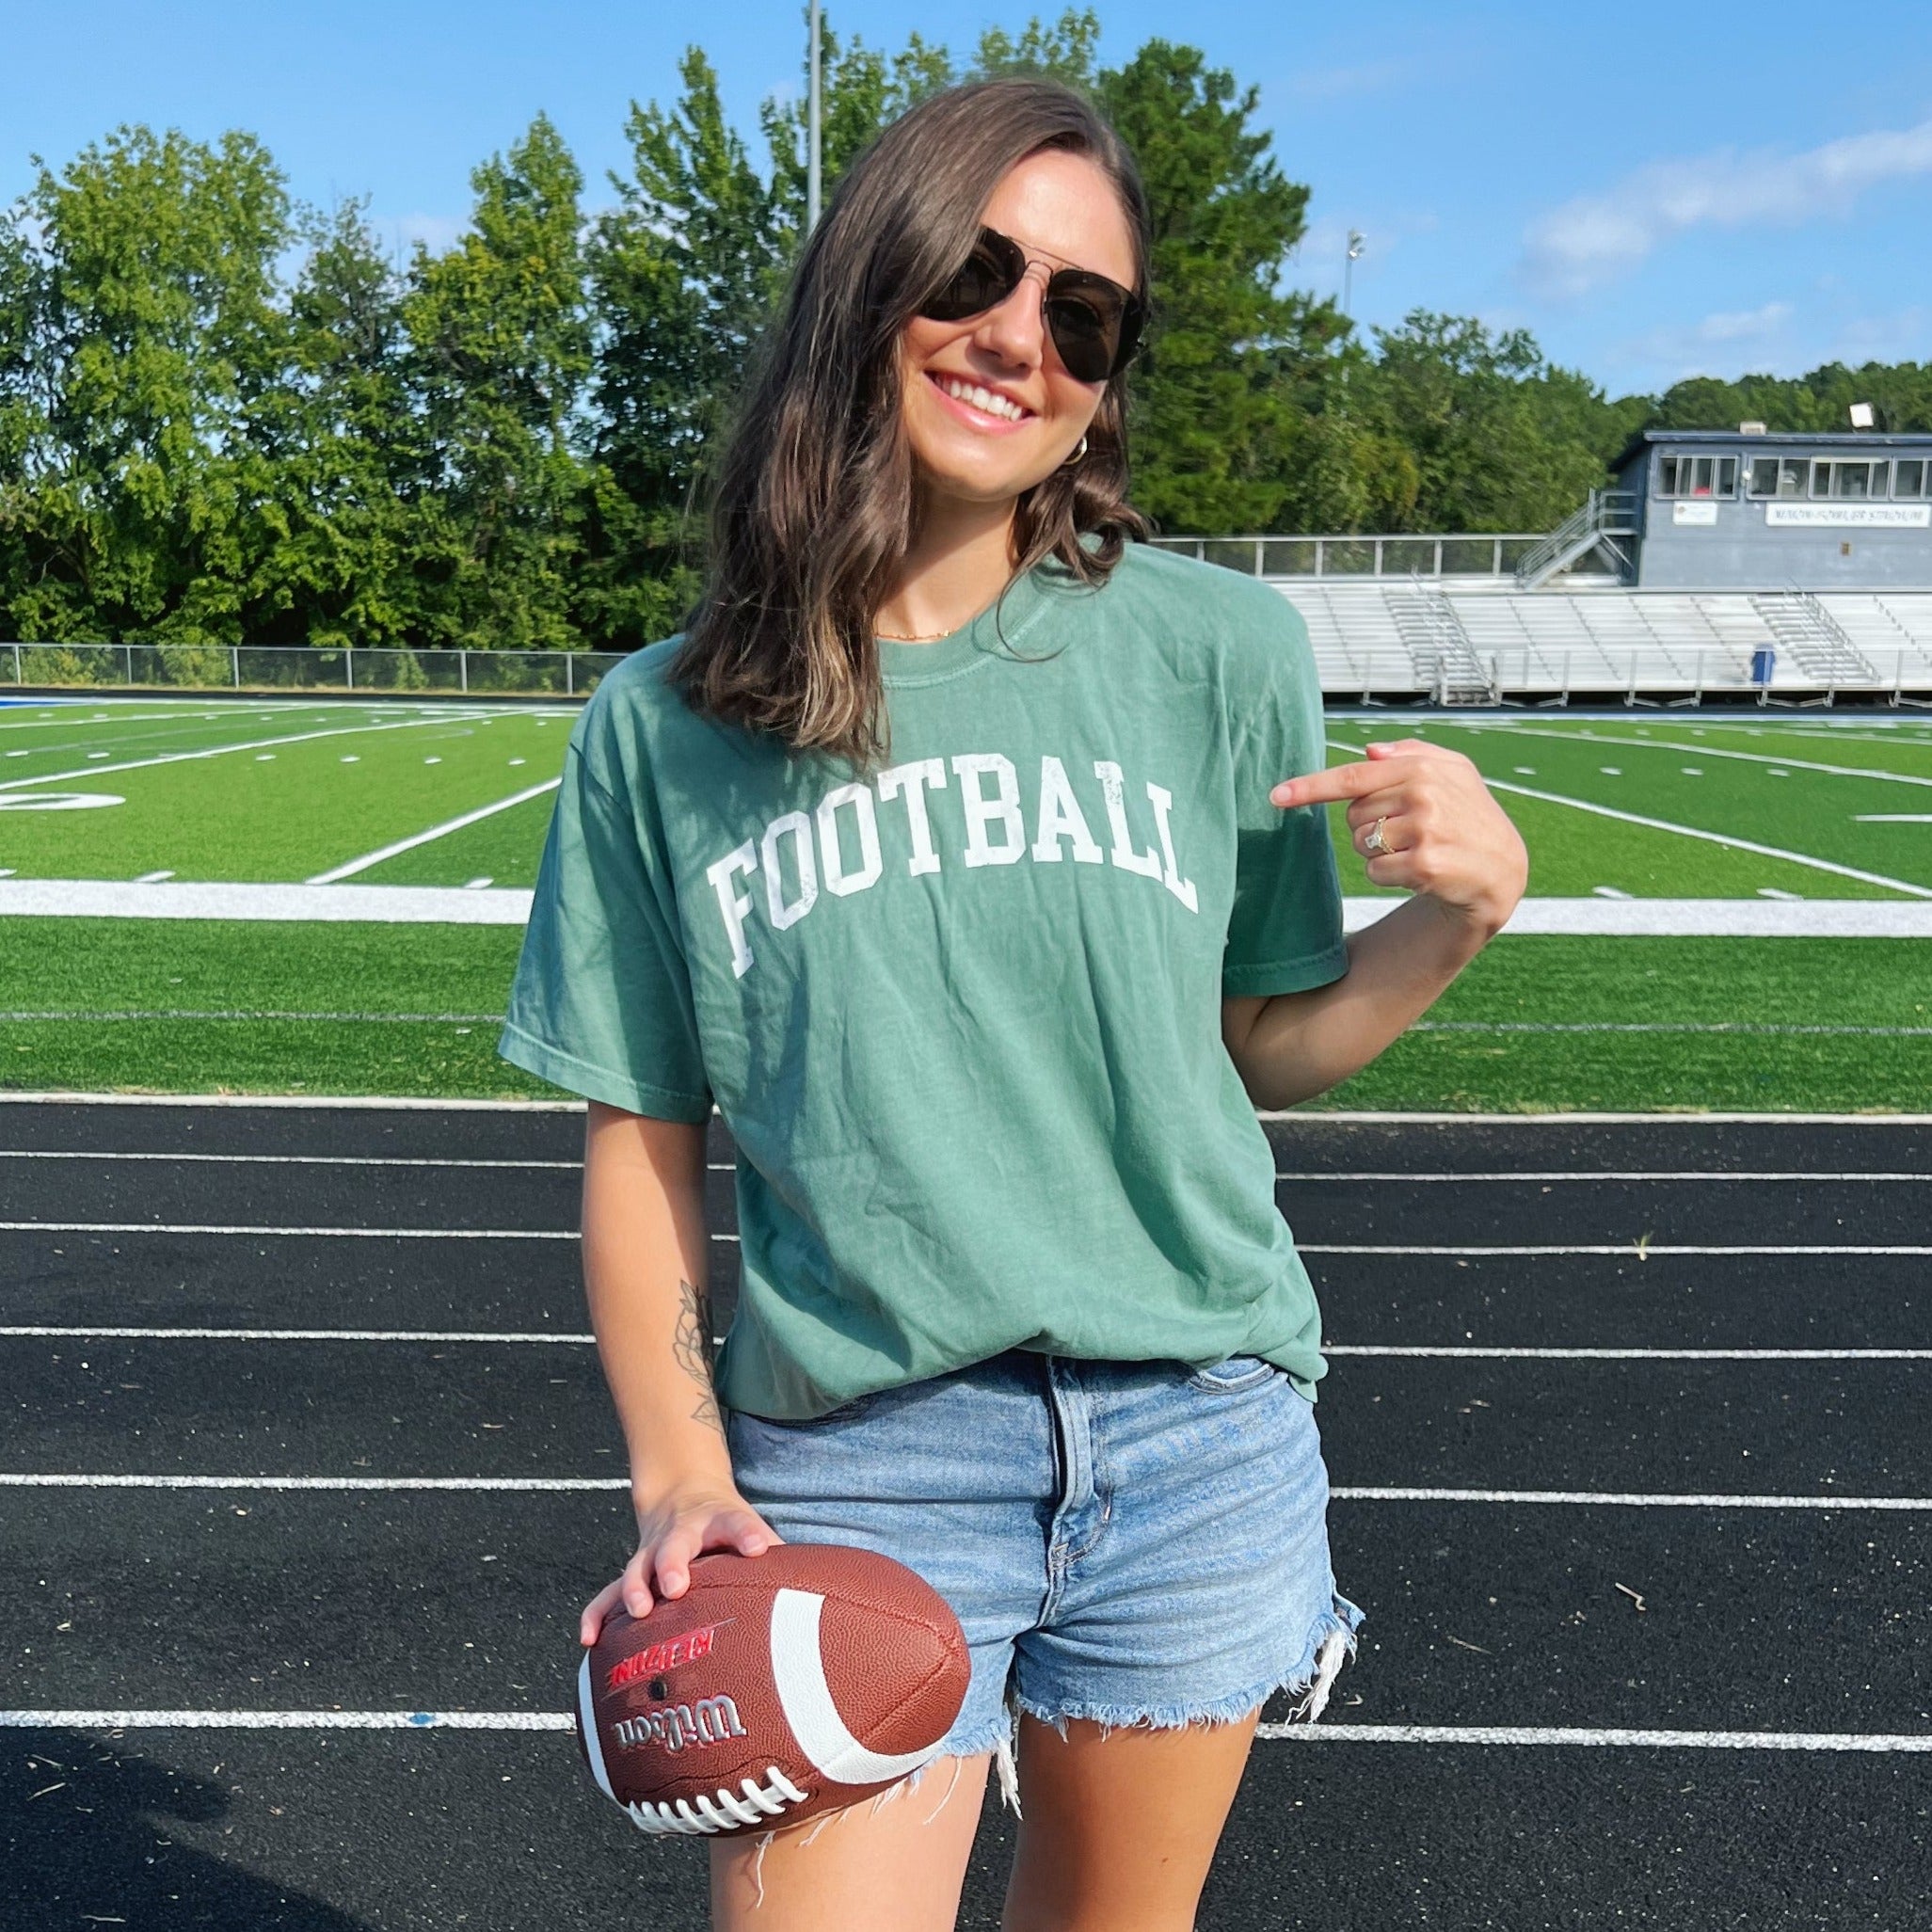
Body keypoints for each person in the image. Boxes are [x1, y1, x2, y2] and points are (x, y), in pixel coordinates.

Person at [497, 73, 1527, 1932]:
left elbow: (1262, 1044)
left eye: (1083, 311)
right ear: (867, 279)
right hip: (866, 1456)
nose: (1016, 336)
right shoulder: (661, 727)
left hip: (1198, 1430)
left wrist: (1458, 921)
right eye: (975, 268)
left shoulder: (1223, 651)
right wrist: (676, 1474)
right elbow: (641, 1132)